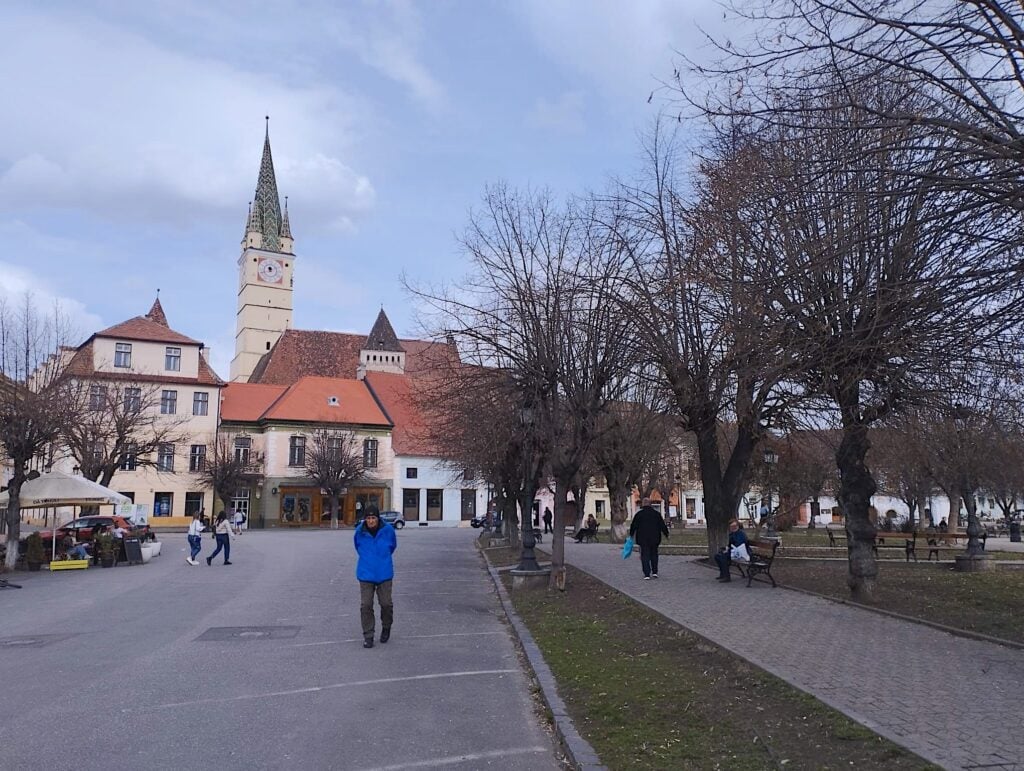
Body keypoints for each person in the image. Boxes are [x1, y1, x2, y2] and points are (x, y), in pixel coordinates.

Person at [354, 509, 397, 649]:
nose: (371, 521)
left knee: (386, 604)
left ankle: (386, 627)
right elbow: (357, 547)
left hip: (384, 573)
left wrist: (382, 558)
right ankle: (368, 635)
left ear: (378, 518)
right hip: (366, 573)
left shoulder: (388, 530)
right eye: (368, 518)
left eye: (373, 518)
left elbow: (392, 546)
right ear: (365, 519)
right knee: (366, 605)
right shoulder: (359, 532)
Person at [629, 498, 669, 579]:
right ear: (650, 504)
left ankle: (647, 574)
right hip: (655, 538)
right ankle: (655, 572)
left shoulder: (639, 514)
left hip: (643, 538)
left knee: (645, 555)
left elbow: (633, 526)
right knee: (654, 554)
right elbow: (662, 525)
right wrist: (666, 534)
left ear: (643, 504)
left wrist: (631, 535)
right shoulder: (656, 514)